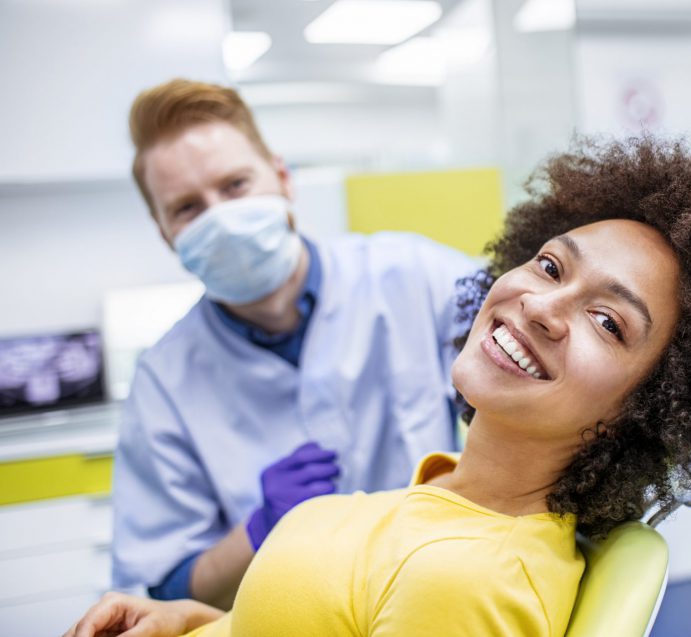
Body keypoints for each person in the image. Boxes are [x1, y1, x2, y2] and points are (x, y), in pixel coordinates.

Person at [68, 136, 691, 636]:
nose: (540, 306)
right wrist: (192, 622)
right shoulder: (440, 502)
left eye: (607, 322)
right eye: (551, 266)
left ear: (650, 408)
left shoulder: (469, 578)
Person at [111, 79, 478, 607]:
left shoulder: (415, 276)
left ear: (282, 178)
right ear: (164, 231)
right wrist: (262, 529)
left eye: (235, 185)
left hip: (441, 594)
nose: (221, 218)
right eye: (189, 208)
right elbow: (167, 584)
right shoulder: (164, 382)